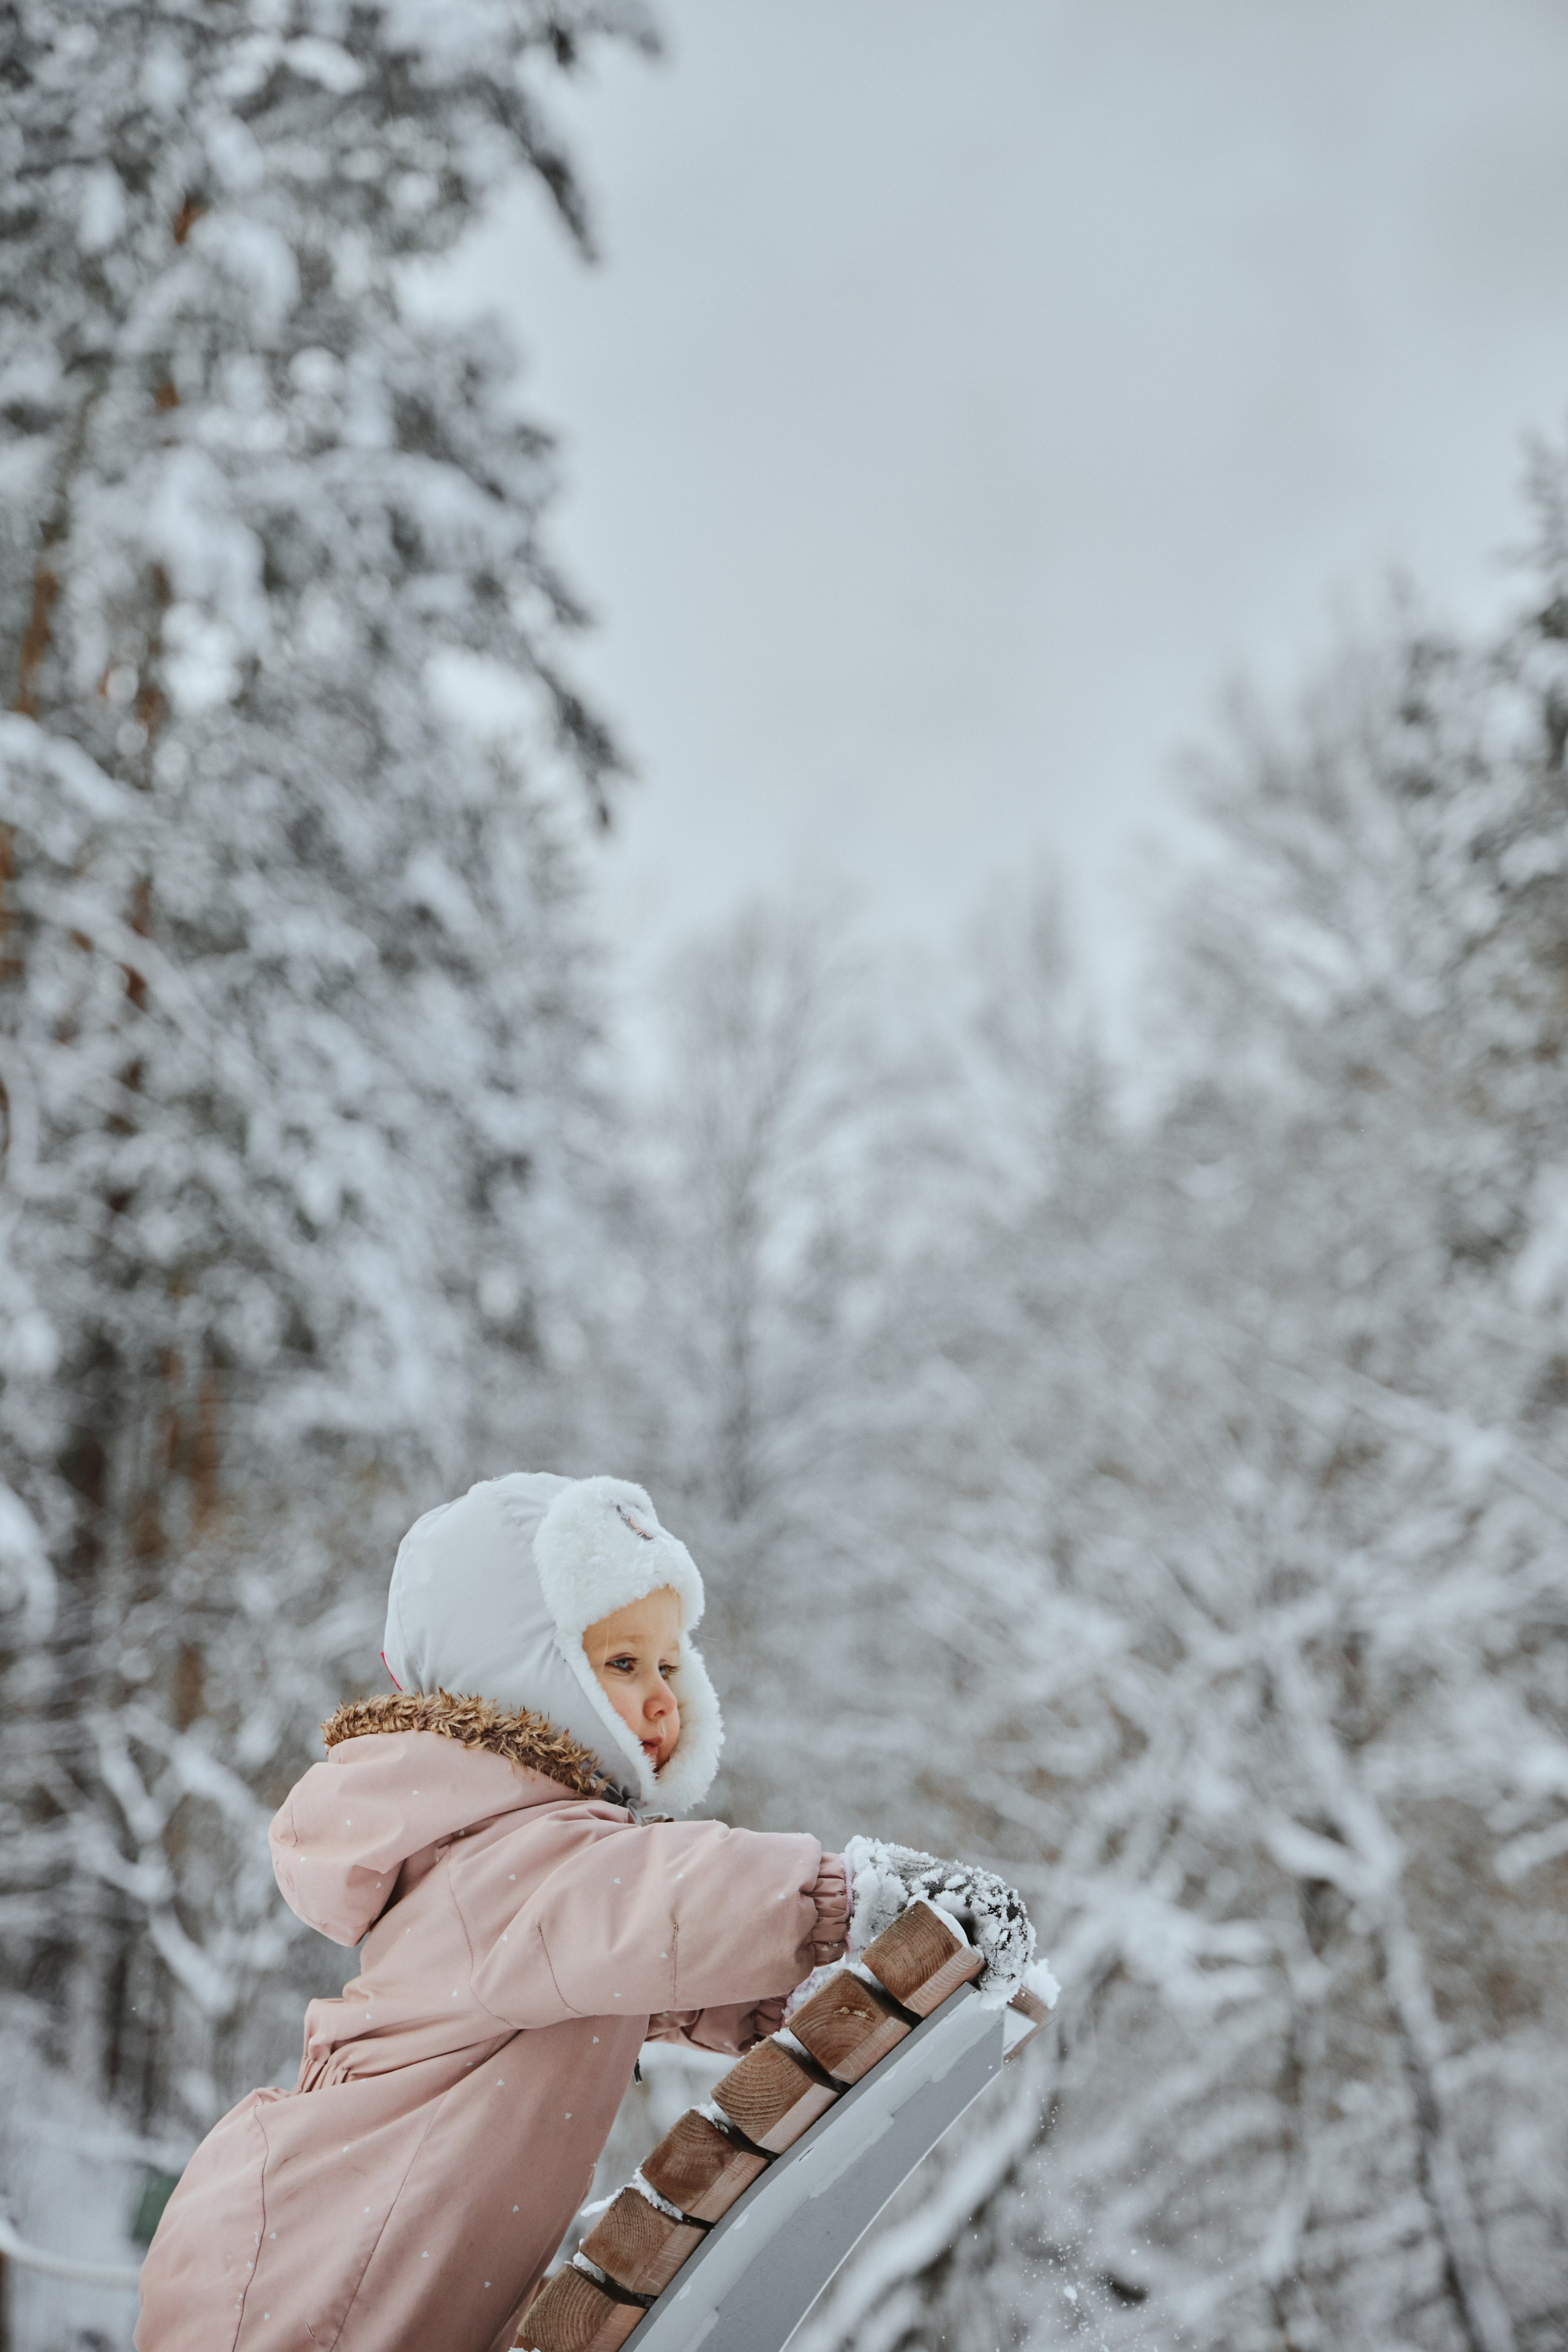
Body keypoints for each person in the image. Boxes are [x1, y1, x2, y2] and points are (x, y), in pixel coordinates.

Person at [134, 1472, 853, 2352]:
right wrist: (837, 1900)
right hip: (318, 2276)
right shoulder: (513, 1856)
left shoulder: (526, 1863)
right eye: (622, 1664)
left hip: (322, 2247)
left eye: (670, 1665)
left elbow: (621, 1961)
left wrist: (768, 1999)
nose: (664, 1696)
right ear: (524, 1670)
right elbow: (655, 1901)